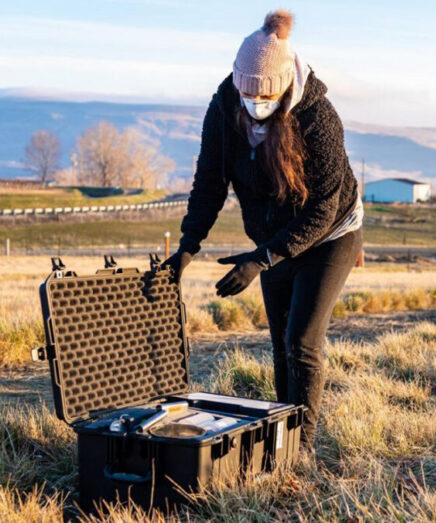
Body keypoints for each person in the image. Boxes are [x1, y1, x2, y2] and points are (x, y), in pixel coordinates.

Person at [162, 9, 363, 449]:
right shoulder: (224, 108)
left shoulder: (318, 118)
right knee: (280, 344)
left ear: (285, 87)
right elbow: (209, 181)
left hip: (331, 233)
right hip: (271, 238)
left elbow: (323, 210)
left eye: (264, 97)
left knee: (302, 341)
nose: (255, 106)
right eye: (246, 94)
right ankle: (282, 439)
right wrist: (187, 247)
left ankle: (301, 450)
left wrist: (262, 259)